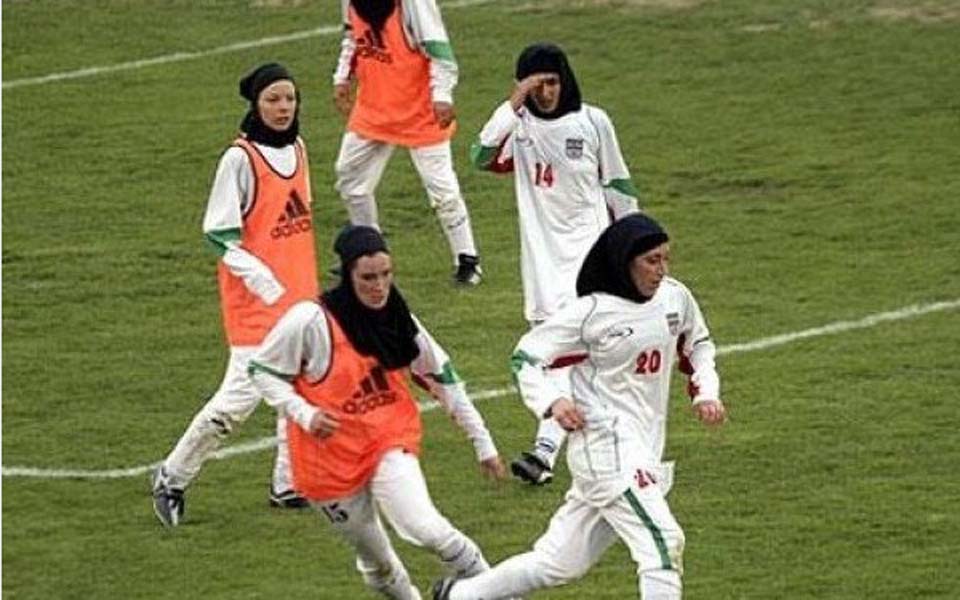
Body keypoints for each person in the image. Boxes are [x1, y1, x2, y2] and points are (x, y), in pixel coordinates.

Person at [432, 214, 726, 600]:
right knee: (663, 544)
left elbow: (699, 343)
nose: (661, 270)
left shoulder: (675, 297)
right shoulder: (591, 313)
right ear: (625, 262)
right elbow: (526, 357)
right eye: (652, 261)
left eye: (665, 259)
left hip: (643, 448)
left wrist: (705, 391)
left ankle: (457, 596)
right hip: (606, 452)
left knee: (556, 563)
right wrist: (551, 401)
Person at [249, 225, 507, 599]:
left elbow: (443, 376)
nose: (379, 286)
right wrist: (304, 414)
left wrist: (482, 442)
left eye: (386, 275)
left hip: (387, 440)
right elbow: (262, 371)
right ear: (347, 275)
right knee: (378, 566)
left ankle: (498, 593)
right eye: (368, 278)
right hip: (328, 465)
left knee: (428, 529)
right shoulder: (309, 321)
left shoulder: (399, 319)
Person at [151, 63, 320, 527]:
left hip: (300, 301)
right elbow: (219, 234)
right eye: (273, 100)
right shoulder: (240, 159)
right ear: (256, 105)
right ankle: (172, 475)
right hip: (255, 307)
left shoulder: (300, 149)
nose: (283, 108)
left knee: (300, 389)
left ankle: (288, 484)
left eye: (289, 98)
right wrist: (262, 279)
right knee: (238, 402)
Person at [470, 42, 640, 485]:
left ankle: (544, 452)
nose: (545, 91)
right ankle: (602, 445)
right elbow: (480, 155)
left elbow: (618, 185)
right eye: (535, 83)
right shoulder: (519, 129)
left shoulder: (593, 122)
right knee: (571, 362)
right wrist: (513, 103)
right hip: (543, 267)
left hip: (591, 260)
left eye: (551, 81)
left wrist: (636, 245)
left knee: (559, 357)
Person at [332, 0, 482, 285]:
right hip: (373, 109)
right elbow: (352, 36)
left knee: (442, 190)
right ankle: (367, 250)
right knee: (350, 178)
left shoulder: (414, 3)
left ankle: (467, 259)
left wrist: (442, 96)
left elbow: (439, 50)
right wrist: (342, 76)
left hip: (419, 111)